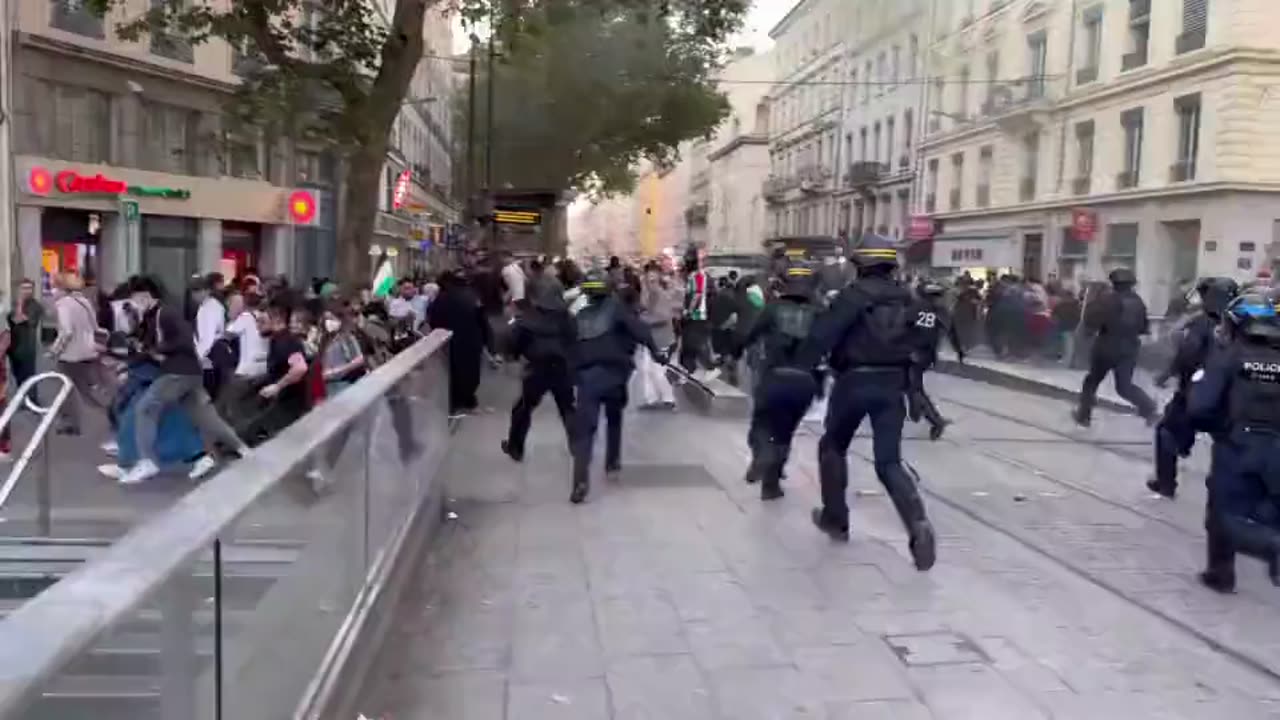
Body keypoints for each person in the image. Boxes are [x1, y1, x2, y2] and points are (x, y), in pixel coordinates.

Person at [798, 234, 937, 571]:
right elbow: (925, 341)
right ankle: (917, 522)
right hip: (893, 386)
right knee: (889, 462)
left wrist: (803, 368)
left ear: (859, 265)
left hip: (854, 382)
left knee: (833, 447)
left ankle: (836, 518)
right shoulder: (911, 300)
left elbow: (821, 335)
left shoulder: (852, 297)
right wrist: (914, 386)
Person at [1188, 290, 1280, 593]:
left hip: (1238, 447)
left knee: (1223, 515)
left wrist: (1220, 428)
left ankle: (1225, 572)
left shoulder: (1227, 358)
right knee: (1268, 510)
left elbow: (1199, 408)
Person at [118, 276, 250, 485]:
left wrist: (157, 350)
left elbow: (184, 340)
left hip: (178, 373)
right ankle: (244, 450)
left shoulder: (166, 313)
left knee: (145, 409)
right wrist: (131, 360)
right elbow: (151, 347)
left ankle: (148, 461)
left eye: (135, 297)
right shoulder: (153, 316)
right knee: (206, 417)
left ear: (144, 295)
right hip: (188, 373)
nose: (134, 302)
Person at [568, 270, 663, 504]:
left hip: (587, 378)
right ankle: (612, 462)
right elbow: (641, 331)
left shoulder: (577, 312)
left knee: (585, 430)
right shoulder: (618, 309)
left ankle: (580, 479)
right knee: (614, 418)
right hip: (614, 375)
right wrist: (656, 352)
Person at [734, 264, 822, 500]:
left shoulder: (772, 309)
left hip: (775, 377)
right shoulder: (820, 312)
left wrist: (732, 352)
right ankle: (771, 486)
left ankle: (762, 454)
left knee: (761, 426)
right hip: (805, 381)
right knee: (785, 433)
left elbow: (748, 335)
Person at [1149, 277, 1238, 499]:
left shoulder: (1203, 323)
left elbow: (1188, 354)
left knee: (1166, 432)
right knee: (1231, 442)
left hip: (1196, 391)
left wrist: (1168, 374)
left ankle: (1166, 483)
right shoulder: (1241, 323)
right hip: (1232, 396)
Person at [501, 281, 576, 462]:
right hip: (561, 368)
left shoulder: (529, 317)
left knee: (523, 408)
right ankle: (578, 446)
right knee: (568, 409)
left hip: (536, 369)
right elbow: (574, 338)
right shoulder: (567, 317)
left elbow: (514, 340)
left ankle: (515, 448)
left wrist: (514, 356)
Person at [1073, 268, 1158, 427]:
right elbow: (1144, 327)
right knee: (1124, 387)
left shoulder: (1107, 300)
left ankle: (1084, 414)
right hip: (1129, 349)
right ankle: (1149, 409)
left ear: (1114, 284)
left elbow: (1091, 321)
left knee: (1092, 381)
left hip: (1107, 347)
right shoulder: (1138, 302)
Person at [49, 272, 103, 436]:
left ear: (60, 288)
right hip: (88, 352)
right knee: (85, 391)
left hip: (70, 355)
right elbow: (95, 327)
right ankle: (105, 418)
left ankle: (71, 424)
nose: (53, 291)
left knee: (67, 391)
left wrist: (54, 350)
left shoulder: (63, 304)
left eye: (54, 287)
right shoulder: (85, 302)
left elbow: (66, 331)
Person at [427, 269, 487, 418]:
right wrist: (487, 341)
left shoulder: (441, 298)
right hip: (472, 339)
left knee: (453, 373)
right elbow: (482, 319)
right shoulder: (471, 294)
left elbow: (433, 318)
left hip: (449, 341)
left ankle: (454, 405)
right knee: (471, 372)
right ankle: (468, 402)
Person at [908, 280, 958, 441]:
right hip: (927, 355)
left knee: (913, 388)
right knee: (913, 385)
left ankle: (935, 420)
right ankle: (916, 412)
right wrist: (959, 351)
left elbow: (901, 327)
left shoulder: (914, 308)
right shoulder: (941, 311)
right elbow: (951, 331)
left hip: (912, 353)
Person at [636, 262, 678, 409]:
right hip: (651, 339)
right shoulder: (650, 295)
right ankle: (651, 399)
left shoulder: (661, 295)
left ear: (659, 279)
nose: (650, 284)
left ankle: (669, 399)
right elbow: (643, 309)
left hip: (662, 339)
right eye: (648, 281)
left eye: (653, 281)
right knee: (646, 370)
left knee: (659, 371)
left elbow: (664, 316)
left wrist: (643, 320)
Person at [8, 278, 44, 404]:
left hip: (27, 346)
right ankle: (23, 398)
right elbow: (10, 320)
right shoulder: (13, 304)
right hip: (14, 346)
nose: (26, 291)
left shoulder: (35, 306)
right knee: (17, 373)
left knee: (29, 374)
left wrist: (19, 304)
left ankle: (32, 400)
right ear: (19, 289)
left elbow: (19, 319)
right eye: (24, 288)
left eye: (29, 288)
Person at [192, 277, 227, 398]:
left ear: (207, 291)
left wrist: (199, 356)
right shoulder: (204, 307)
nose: (195, 295)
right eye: (193, 291)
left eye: (198, 290)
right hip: (206, 353)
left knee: (209, 390)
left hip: (210, 353)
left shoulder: (212, 308)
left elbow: (209, 337)